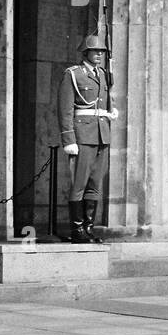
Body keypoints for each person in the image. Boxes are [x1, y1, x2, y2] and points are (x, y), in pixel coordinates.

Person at [58, 34, 117, 244]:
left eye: (102, 51)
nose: (100, 54)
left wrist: (110, 111)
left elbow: (103, 102)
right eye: (96, 51)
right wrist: (69, 140)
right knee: (79, 184)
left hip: (102, 134)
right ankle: (77, 229)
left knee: (95, 184)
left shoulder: (103, 74)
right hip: (82, 135)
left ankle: (88, 228)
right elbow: (65, 110)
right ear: (86, 52)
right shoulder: (74, 75)